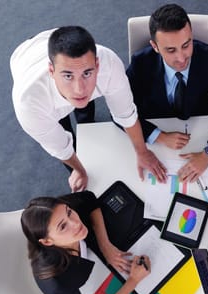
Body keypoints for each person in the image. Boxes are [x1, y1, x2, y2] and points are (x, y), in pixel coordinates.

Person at [11, 26, 167, 192]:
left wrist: (142, 152)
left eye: (87, 73)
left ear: (98, 66)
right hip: (25, 57)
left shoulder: (109, 64)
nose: (80, 89)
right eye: (68, 76)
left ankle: (85, 120)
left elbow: (126, 114)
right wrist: (80, 171)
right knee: (63, 126)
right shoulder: (30, 104)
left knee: (84, 107)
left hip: (55, 41)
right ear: (51, 71)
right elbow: (60, 148)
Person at [126, 4, 208, 182]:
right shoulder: (141, 63)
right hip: (155, 123)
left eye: (186, 45)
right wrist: (158, 136)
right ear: (155, 46)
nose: (181, 58)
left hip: (202, 121)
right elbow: (120, 111)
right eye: (171, 50)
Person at [21, 190, 151, 294]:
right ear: (47, 241)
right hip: (87, 286)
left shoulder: (59, 210)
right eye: (63, 226)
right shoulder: (56, 283)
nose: (76, 223)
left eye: (69, 212)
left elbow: (88, 198)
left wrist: (105, 245)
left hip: (97, 258)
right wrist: (133, 280)